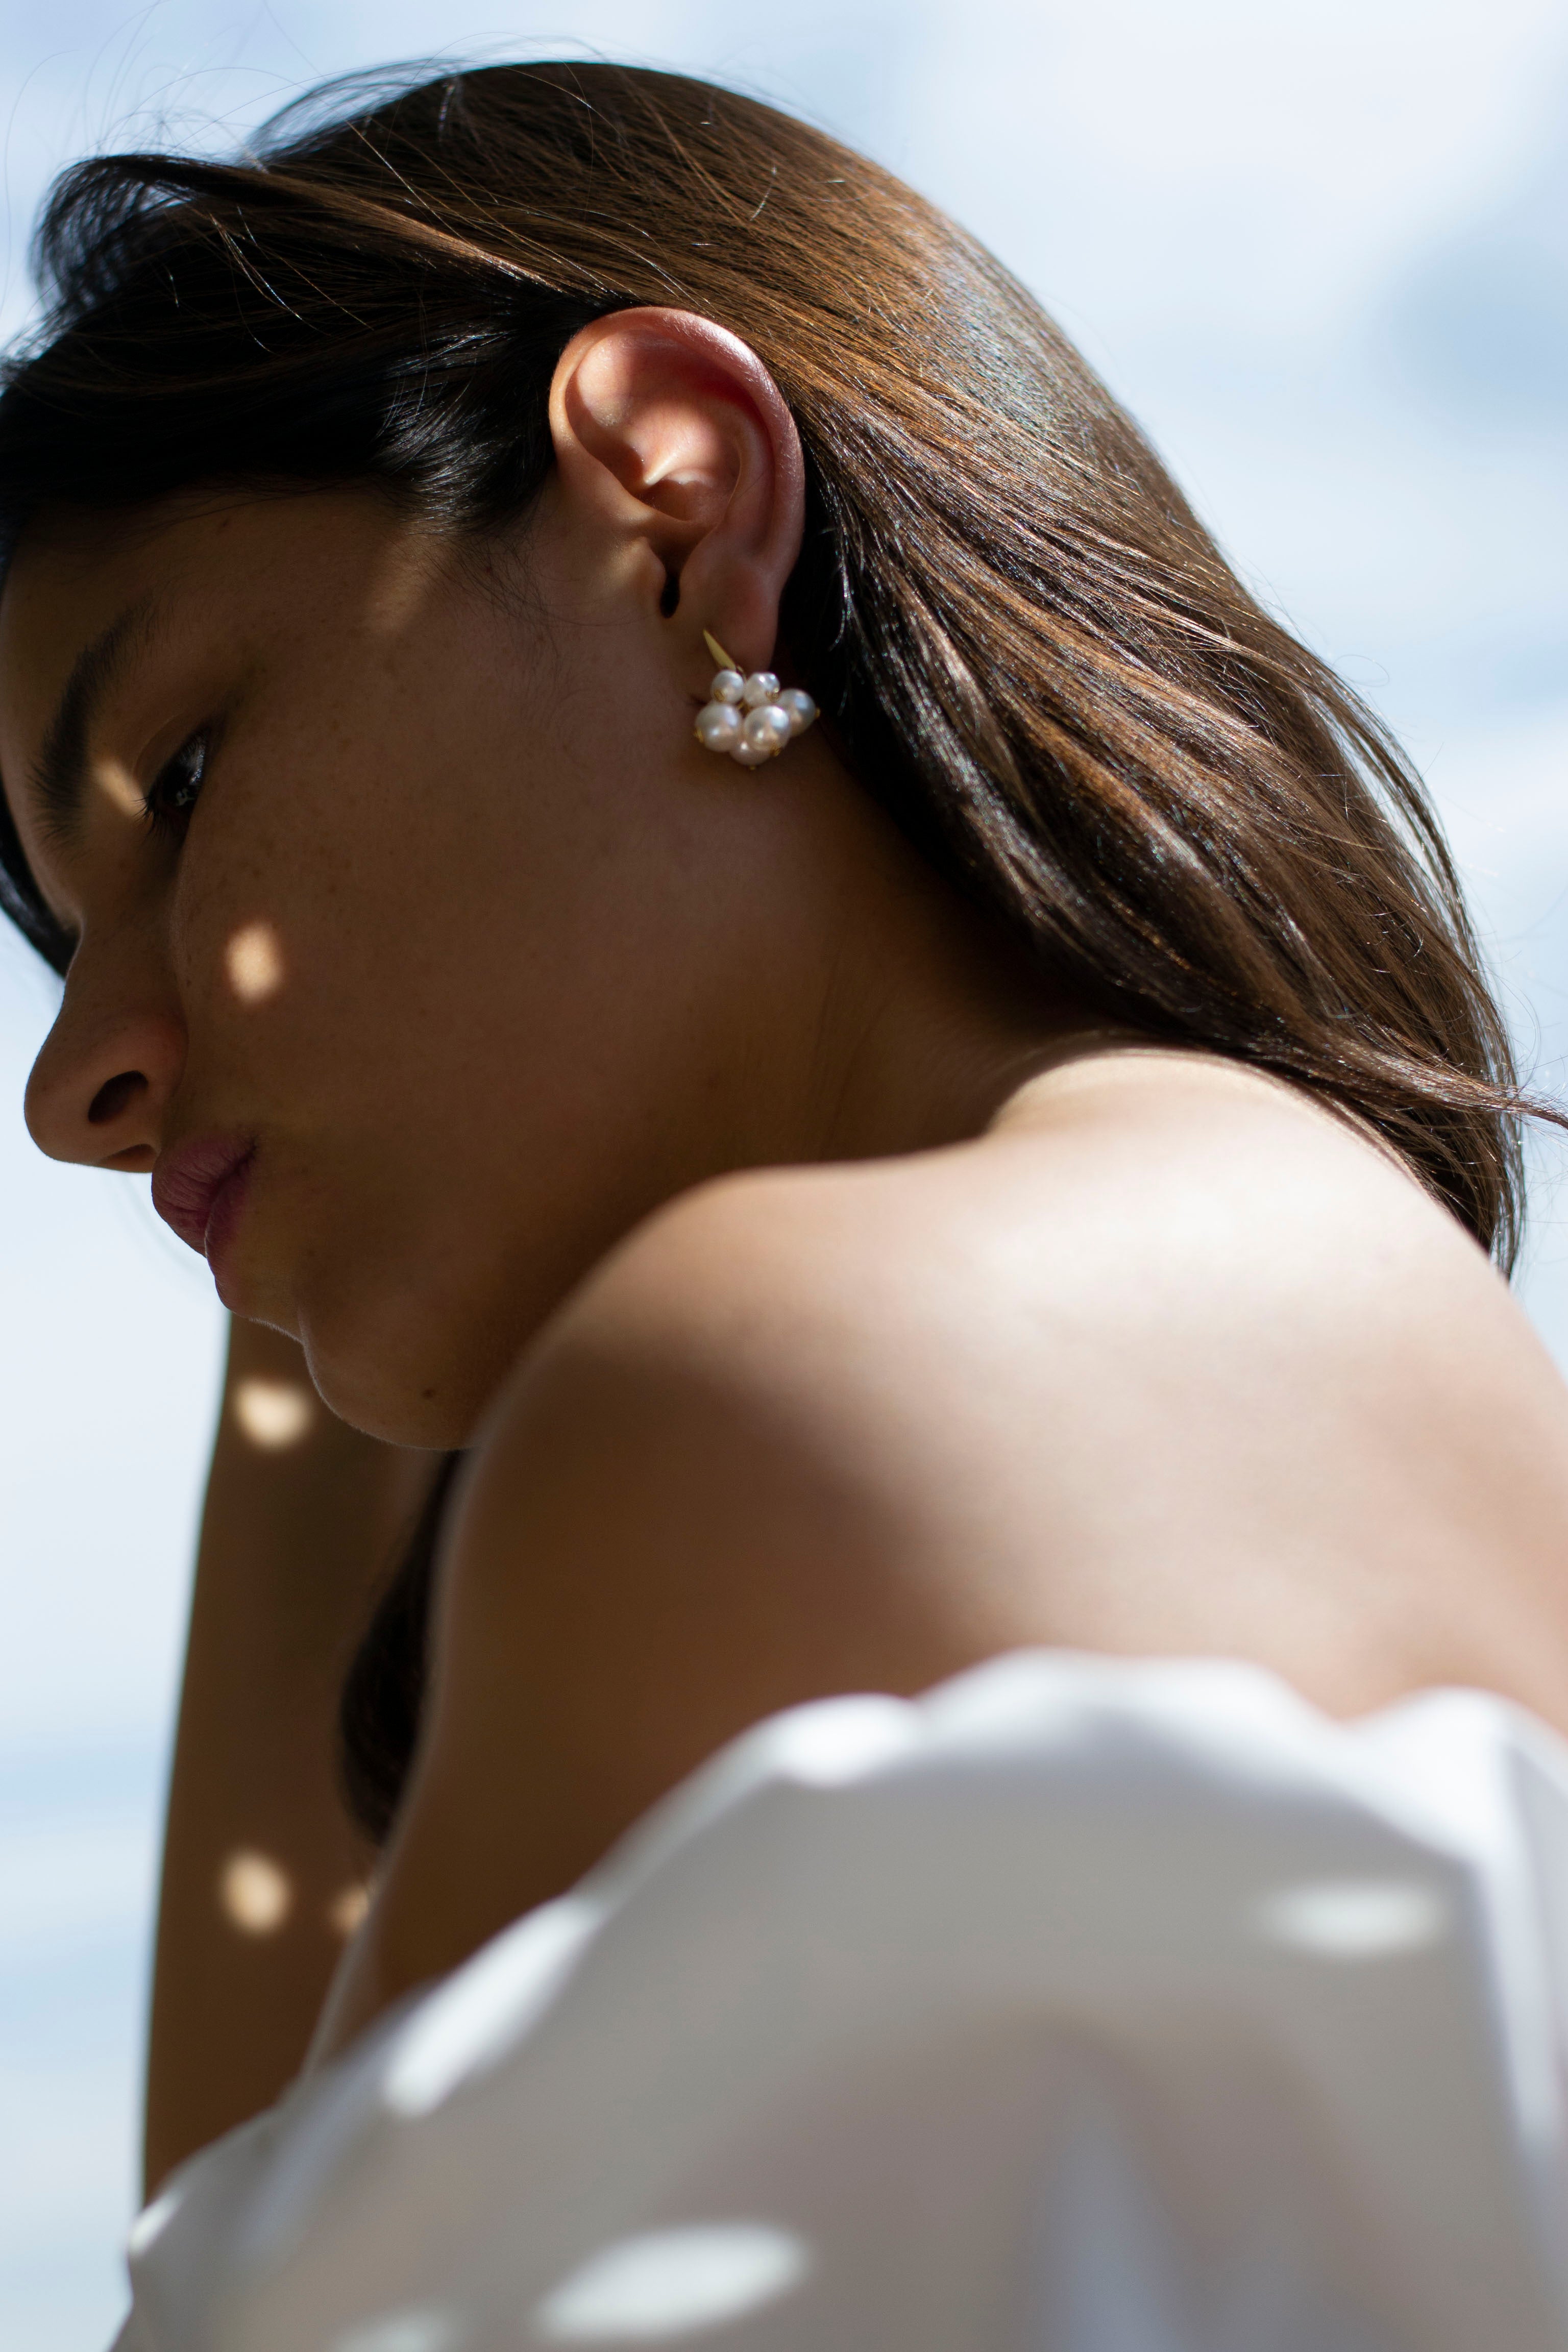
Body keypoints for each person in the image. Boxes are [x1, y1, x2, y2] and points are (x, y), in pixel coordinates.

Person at [4, 61, 1568, 2349]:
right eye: (62, 943)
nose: (68, 1088)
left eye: (189, 770)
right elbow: (282, 2219)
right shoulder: (1348, 1343)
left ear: (668, 504)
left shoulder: (789, 1398)